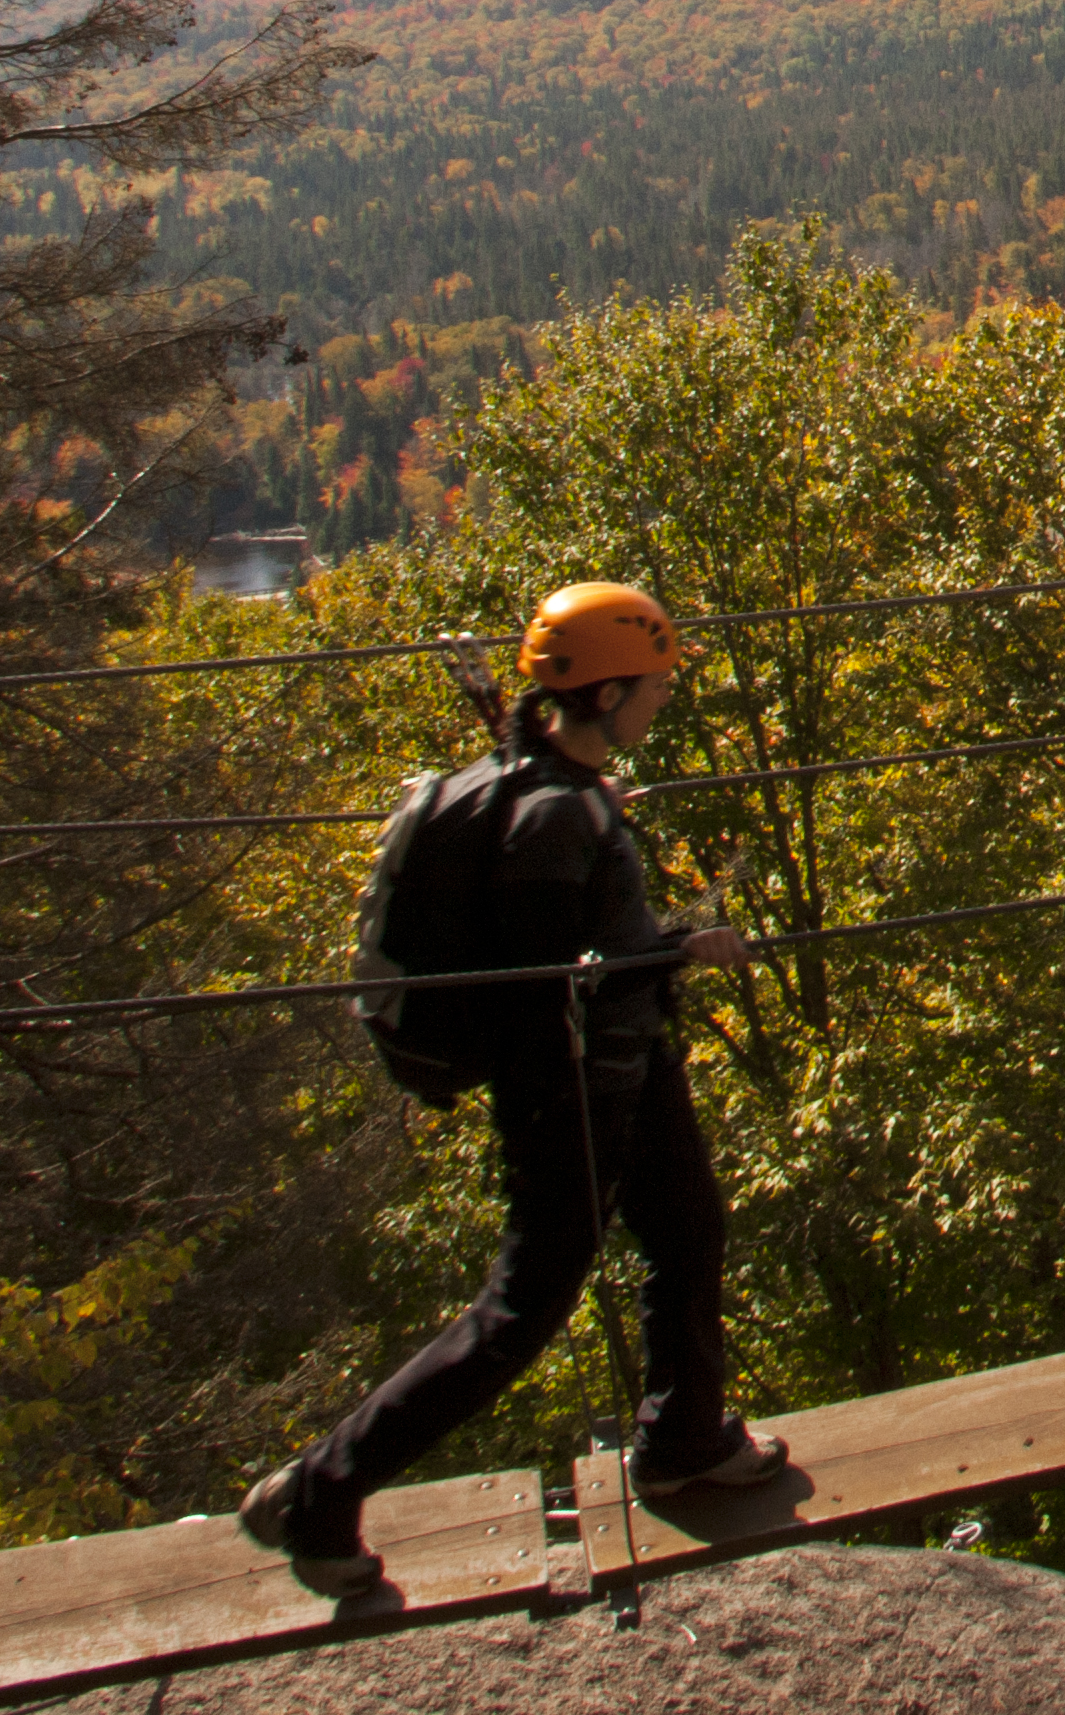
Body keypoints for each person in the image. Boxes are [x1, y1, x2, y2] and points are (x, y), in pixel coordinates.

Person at [240, 580, 783, 1589]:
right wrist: (678, 950)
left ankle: (685, 1439)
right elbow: (550, 985)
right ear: (610, 691)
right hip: (574, 1091)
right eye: (656, 683)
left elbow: (574, 954)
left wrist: (648, 943)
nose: (665, 698)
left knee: (690, 1229)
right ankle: (321, 1490)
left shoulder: (551, 785)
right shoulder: (550, 820)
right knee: (522, 1312)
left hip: (628, 1065)